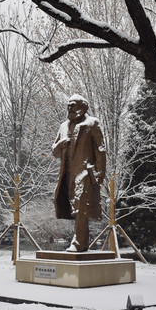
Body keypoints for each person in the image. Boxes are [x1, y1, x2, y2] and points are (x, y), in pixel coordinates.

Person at [52, 94, 106, 252]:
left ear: (83, 107)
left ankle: (77, 242)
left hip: (85, 172)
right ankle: (83, 244)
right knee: (76, 207)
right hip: (67, 174)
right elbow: (55, 151)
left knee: (81, 205)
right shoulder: (63, 126)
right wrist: (61, 144)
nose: (69, 108)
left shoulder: (92, 123)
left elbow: (100, 150)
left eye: (73, 105)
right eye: (68, 105)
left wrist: (99, 174)